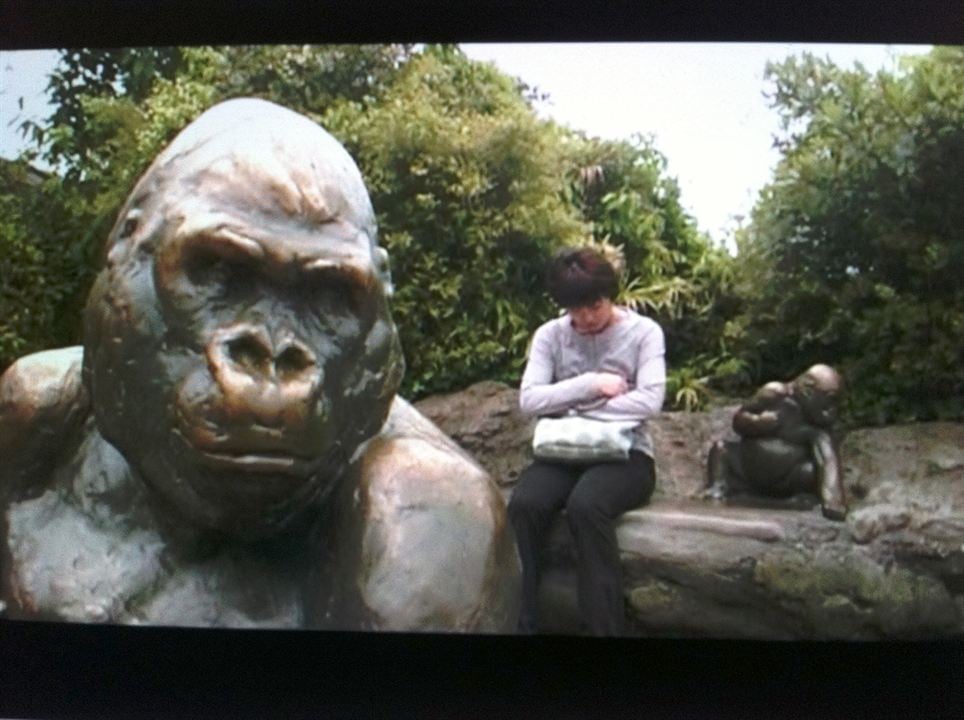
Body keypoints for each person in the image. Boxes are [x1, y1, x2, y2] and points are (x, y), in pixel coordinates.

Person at [508, 246, 666, 635]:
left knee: (586, 505)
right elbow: (529, 399)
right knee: (525, 504)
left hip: (626, 455)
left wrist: (570, 406)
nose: (586, 318)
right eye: (575, 310)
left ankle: (604, 629)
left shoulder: (644, 333)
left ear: (609, 294)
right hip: (564, 450)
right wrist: (592, 385)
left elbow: (649, 401)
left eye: (594, 306)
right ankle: (523, 622)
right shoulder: (549, 336)